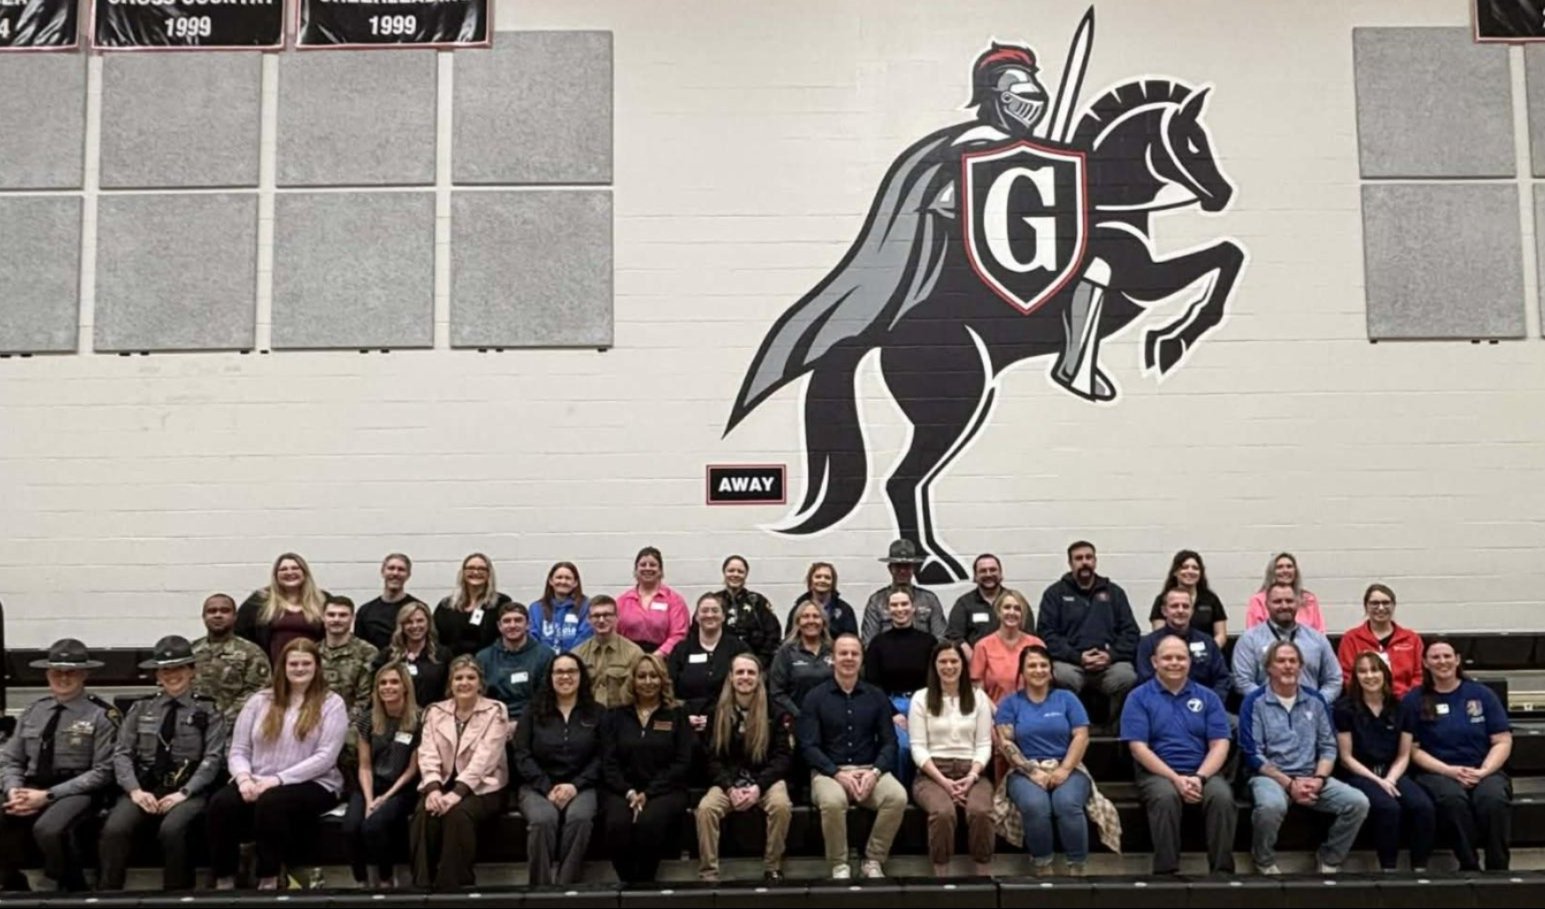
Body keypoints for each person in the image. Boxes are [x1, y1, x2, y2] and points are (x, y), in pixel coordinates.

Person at [209, 639, 348, 890]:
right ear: (282, 666)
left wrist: (277, 780)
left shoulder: (332, 703)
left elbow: (325, 757)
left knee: (272, 802)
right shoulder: (259, 701)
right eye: (293, 663)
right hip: (256, 779)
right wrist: (243, 779)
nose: (299, 669)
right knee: (222, 803)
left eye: (306, 663)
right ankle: (224, 879)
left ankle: (269, 878)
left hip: (315, 782)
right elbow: (239, 750)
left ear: (317, 666)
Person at [99, 636, 228, 892]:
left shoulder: (209, 709)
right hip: (145, 787)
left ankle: (177, 894)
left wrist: (185, 792)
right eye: (165, 669)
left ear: (191, 671)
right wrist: (134, 791)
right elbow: (122, 753)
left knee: (173, 830)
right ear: (157, 674)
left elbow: (213, 758)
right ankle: (108, 893)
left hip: (189, 789)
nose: (171, 675)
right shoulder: (141, 708)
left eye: (178, 668)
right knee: (115, 828)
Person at [1239, 640, 1369, 875]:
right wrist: (1289, 784)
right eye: (1281, 661)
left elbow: (1328, 747)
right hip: (1270, 777)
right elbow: (1253, 754)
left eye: (1293, 661)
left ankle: (1330, 858)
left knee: (1358, 802)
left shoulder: (1316, 700)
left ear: (1301, 667)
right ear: (1268, 668)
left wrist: (1319, 779)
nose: (1288, 666)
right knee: (1271, 807)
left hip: (1312, 776)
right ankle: (1263, 860)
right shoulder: (1254, 702)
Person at [0, 639, 119, 892]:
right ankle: (12, 884)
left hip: (78, 790)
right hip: (31, 785)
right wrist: (13, 790)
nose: (63, 678)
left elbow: (103, 771)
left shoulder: (102, 715)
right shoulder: (34, 711)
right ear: (47, 674)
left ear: (84, 674)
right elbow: (11, 759)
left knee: (49, 829)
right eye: (57, 672)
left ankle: (69, 886)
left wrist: (48, 796)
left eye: (71, 672)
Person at [1120, 636, 1235, 876]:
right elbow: (1138, 748)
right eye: (1168, 658)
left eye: (1181, 658)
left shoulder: (1208, 697)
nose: (1175, 662)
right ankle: (1166, 873)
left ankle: (1222, 873)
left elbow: (1220, 744)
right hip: (1157, 773)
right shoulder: (1138, 697)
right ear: (1154, 662)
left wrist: (1199, 777)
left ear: (1189, 662)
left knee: (1222, 797)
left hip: (1202, 771)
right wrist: (1176, 778)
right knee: (1165, 798)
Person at [797, 634, 907, 880]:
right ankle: (839, 864)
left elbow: (889, 743)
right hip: (829, 772)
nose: (849, 658)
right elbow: (808, 746)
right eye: (843, 653)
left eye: (854, 654)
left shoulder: (876, 696)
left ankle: (873, 860)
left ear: (861, 659)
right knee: (833, 801)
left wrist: (875, 773)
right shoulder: (815, 697)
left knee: (897, 797)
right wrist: (837, 774)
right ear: (832, 659)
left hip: (869, 770)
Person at [1405, 639, 1513, 871]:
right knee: (1453, 801)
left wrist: (1483, 771)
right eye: (1435, 657)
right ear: (1425, 663)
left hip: (1483, 768)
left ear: (1457, 660)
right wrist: (1449, 771)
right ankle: (1469, 865)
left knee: (1493, 800)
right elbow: (1412, 750)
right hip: (1437, 772)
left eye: (1447, 656)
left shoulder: (1482, 694)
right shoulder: (1414, 700)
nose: (1442, 661)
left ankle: (1498, 868)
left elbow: (1502, 740)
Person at [412, 655, 509, 891]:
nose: (464, 683)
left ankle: (454, 886)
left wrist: (457, 793)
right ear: (450, 683)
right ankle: (421, 885)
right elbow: (427, 753)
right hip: (441, 784)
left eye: (470, 678)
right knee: (424, 813)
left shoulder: (495, 711)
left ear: (480, 683)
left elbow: (485, 759)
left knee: (457, 814)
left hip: (484, 786)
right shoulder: (434, 712)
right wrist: (433, 789)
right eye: (458, 678)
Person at [995, 644, 1093, 876]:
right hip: (1024, 771)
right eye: (1032, 665)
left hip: (1068, 766)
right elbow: (1006, 743)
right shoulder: (1010, 703)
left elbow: (1081, 736)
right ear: (1022, 671)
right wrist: (1032, 772)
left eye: (1043, 665)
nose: (1038, 670)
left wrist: (1064, 770)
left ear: (1051, 670)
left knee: (1066, 803)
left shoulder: (1067, 699)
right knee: (1035, 805)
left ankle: (1077, 869)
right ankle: (1043, 867)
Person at [696, 653, 794, 883]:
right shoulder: (714, 711)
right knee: (706, 809)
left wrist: (758, 787)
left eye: (751, 672)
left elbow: (782, 757)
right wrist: (729, 788)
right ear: (731, 677)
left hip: (765, 780)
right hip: (729, 781)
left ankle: (773, 867)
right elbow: (711, 758)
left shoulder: (776, 711)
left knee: (781, 805)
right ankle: (709, 873)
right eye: (740, 672)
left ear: (759, 677)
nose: (745, 677)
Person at [1335, 652, 1434, 873]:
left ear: (1385, 674)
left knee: (1423, 807)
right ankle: (1388, 870)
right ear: (1355, 677)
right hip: (1359, 773)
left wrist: (1390, 779)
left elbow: (1404, 754)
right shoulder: (1344, 709)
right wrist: (1378, 781)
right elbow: (1346, 758)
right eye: (1362, 671)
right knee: (1388, 808)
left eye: (1374, 670)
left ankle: (1420, 869)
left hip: (1393, 772)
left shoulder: (1401, 708)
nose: (1369, 676)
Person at [600, 653, 694, 884]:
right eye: (641, 676)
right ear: (632, 680)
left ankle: (644, 885)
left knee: (649, 823)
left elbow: (683, 761)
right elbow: (608, 762)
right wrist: (629, 792)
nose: (648, 681)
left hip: (666, 790)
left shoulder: (677, 713)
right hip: (623, 790)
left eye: (654, 676)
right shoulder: (615, 716)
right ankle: (628, 884)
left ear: (663, 679)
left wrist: (649, 793)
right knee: (616, 825)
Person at [512, 654, 604, 886]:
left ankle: (566, 886)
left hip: (582, 786)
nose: (565, 677)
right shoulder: (532, 712)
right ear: (550, 677)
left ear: (581, 676)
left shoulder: (597, 712)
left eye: (571, 671)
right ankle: (540, 889)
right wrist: (546, 787)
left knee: (580, 818)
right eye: (559, 672)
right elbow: (522, 755)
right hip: (537, 786)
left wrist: (575, 786)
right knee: (542, 820)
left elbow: (603, 757)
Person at [909, 641, 994, 877]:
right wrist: (944, 782)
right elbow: (918, 748)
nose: (949, 666)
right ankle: (941, 879)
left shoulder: (978, 698)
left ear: (963, 665)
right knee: (943, 813)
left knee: (981, 811)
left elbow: (984, 744)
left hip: (972, 772)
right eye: (943, 661)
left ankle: (984, 877)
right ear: (934, 666)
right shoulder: (921, 698)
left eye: (954, 661)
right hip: (932, 773)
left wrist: (972, 776)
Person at [1035, 540, 1139, 719]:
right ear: (1070, 563)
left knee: (1126, 676)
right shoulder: (1054, 594)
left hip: (1110, 665)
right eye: (1079, 558)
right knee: (1061, 676)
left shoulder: (1114, 593)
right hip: (1071, 664)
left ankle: (1115, 728)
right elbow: (1046, 633)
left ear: (1095, 561)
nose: (1084, 562)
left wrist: (1111, 655)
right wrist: (1077, 657)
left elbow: (1130, 632)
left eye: (1089, 557)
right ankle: (1074, 726)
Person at [343, 662, 420, 889]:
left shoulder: (420, 719)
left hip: (401, 787)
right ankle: (362, 882)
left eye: (394, 682)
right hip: (370, 784)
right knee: (350, 827)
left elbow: (412, 770)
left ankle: (386, 880)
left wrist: (384, 799)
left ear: (405, 686)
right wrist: (369, 801)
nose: (388, 687)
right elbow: (365, 766)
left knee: (373, 826)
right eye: (383, 683)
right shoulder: (367, 719)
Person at [865, 588, 934, 787]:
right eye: (894, 605)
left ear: (913, 608)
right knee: (903, 748)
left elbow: (934, 680)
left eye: (904, 604)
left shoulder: (929, 642)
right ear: (888, 610)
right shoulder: (878, 644)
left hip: (924, 703)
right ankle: (904, 795)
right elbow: (873, 685)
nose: (900, 609)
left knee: (929, 748)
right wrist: (893, 713)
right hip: (891, 705)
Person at [1233, 582, 1342, 702]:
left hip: (1311, 711)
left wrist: (1317, 702)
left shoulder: (1317, 639)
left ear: (1298, 603)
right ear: (1267, 605)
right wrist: (1268, 704)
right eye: (1277, 601)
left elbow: (1334, 679)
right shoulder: (1249, 639)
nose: (1284, 606)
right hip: (1265, 710)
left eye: (1289, 601)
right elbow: (1242, 681)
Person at [668, 592, 750, 734]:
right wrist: (684, 715)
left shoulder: (738, 648)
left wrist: (714, 719)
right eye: (704, 611)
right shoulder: (681, 649)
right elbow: (669, 686)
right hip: (687, 721)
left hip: (728, 722)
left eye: (715, 610)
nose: (710, 615)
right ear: (696, 617)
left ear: (723, 616)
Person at [1135, 588, 1231, 703]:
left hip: (1204, 705)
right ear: (1164, 611)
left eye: (1185, 606)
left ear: (1192, 611)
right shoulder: (1149, 643)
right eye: (1174, 606)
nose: (1180, 610)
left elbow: (1222, 678)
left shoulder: (1207, 642)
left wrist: (1210, 704)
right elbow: (1146, 682)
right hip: (1161, 706)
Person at [193, 592, 272, 723]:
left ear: (235, 617)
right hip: (192, 722)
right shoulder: (191, 650)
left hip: (235, 724)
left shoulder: (252, 652)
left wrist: (223, 717)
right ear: (204, 617)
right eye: (212, 611)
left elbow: (258, 691)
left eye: (225, 611)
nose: (218, 615)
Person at [235, 552, 327, 664]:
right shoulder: (259, 600)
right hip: (272, 668)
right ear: (275, 575)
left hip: (311, 667)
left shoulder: (322, 599)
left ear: (305, 572)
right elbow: (239, 631)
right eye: (283, 569)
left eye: (295, 568)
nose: (289, 572)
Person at [475, 602, 556, 727]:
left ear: (528, 624)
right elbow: (479, 699)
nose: (512, 625)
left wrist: (521, 724)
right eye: (507, 621)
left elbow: (547, 698)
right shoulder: (483, 658)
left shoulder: (545, 655)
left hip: (535, 722)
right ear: (499, 626)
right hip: (493, 722)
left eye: (518, 620)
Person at [1337, 584, 1423, 697]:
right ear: (1366, 606)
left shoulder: (1412, 639)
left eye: (1386, 603)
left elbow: (1419, 675)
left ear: (1394, 606)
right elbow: (1347, 675)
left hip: (1405, 702)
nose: (1381, 608)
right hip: (1365, 702)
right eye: (1375, 603)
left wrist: (1408, 699)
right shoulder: (1351, 639)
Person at [861, 539, 946, 644]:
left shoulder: (929, 600)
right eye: (898, 566)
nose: (902, 571)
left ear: (913, 568)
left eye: (906, 566)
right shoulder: (876, 601)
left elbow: (940, 640)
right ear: (890, 568)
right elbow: (869, 642)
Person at [969, 590, 1045, 705]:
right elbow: (977, 690)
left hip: (1031, 710)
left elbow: (1044, 686)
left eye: (1017, 609)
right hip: (995, 710)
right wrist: (997, 712)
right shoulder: (982, 646)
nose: (1012, 612)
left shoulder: (1037, 644)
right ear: (998, 611)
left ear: (1023, 614)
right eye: (1007, 607)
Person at [371, 601, 451, 709]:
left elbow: (448, 690)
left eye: (420, 621)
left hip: (433, 714)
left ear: (428, 623)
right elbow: (376, 689)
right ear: (402, 626)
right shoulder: (388, 655)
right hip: (396, 714)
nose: (415, 626)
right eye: (409, 622)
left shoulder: (442, 655)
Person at [616, 546, 690, 656]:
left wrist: (656, 657)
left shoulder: (674, 601)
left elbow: (679, 635)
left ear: (661, 571)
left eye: (652, 565)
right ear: (636, 570)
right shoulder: (623, 601)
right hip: (628, 658)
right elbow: (615, 634)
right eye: (643, 565)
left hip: (663, 658)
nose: (647, 568)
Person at [433, 553, 510, 658]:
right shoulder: (446, 606)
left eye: (481, 569)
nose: (476, 572)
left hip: (490, 662)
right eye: (470, 568)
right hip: (453, 664)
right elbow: (435, 638)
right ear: (463, 573)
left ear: (489, 574)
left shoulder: (501, 603)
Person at [1147, 550, 1228, 649]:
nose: (1190, 571)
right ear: (1175, 572)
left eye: (1195, 568)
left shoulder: (1211, 599)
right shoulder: (1162, 599)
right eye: (1184, 567)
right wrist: (1180, 653)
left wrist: (1208, 651)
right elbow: (1159, 635)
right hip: (1173, 653)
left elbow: (1221, 635)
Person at [769, 601, 835, 719]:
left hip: (831, 719)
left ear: (823, 622)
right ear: (798, 622)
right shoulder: (786, 652)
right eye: (805, 616)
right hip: (797, 719)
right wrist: (799, 715)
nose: (811, 620)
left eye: (816, 616)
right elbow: (777, 691)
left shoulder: (834, 650)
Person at [717, 555, 783, 669]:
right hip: (721, 665)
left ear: (746, 575)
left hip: (755, 665)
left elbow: (773, 634)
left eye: (740, 571)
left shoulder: (757, 602)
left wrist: (760, 662)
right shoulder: (714, 601)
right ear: (724, 572)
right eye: (731, 570)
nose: (735, 574)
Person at [946, 554, 1021, 653]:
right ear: (975, 576)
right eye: (983, 571)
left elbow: (1028, 634)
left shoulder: (1016, 600)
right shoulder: (964, 604)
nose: (988, 574)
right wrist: (975, 659)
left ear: (1001, 574)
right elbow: (955, 636)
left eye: (993, 570)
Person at [319, 595, 380, 717]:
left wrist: (344, 722)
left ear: (353, 618)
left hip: (354, 722)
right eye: (331, 615)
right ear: (323, 617)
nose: (336, 619)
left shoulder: (367, 652)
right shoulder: (313, 652)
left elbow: (366, 698)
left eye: (343, 615)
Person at [355, 553, 423, 652]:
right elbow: (359, 647)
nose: (395, 573)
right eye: (391, 568)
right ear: (383, 572)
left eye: (401, 569)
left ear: (408, 575)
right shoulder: (365, 611)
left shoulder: (418, 609)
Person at [1243, 553, 1324, 631]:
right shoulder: (1258, 600)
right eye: (1279, 567)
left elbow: (1319, 632)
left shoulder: (1309, 599)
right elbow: (1253, 633)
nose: (1285, 570)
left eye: (1289, 566)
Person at [527, 561, 593, 654]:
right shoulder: (536, 608)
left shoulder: (586, 606)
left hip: (576, 659)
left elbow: (584, 636)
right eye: (559, 577)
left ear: (575, 583)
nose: (563, 581)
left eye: (568, 578)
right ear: (551, 581)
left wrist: (567, 659)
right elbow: (533, 637)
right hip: (544, 660)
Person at [785, 561, 859, 638]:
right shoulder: (798, 609)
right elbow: (789, 639)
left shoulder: (845, 610)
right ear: (810, 581)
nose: (822, 580)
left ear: (833, 582)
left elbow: (852, 639)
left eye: (827, 577)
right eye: (818, 577)